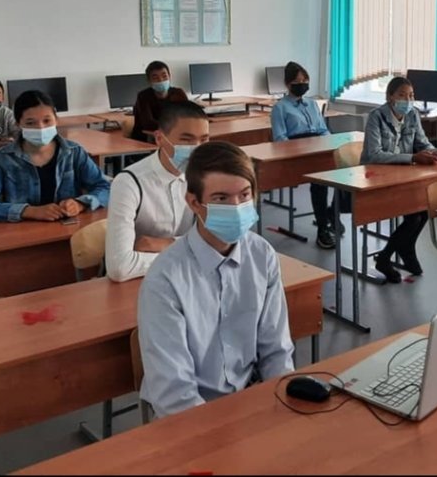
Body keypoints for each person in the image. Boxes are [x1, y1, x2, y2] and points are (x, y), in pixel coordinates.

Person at [137, 140, 294, 418]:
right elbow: (174, 391)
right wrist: (220, 433)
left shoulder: (262, 255)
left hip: (249, 399)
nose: (236, 207)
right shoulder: (166, 279)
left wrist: (281, 409)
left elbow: (276, 351)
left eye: (244, 195)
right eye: (221, 198)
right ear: (194, 202)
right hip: (189, 415)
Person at [105, 101, 210, 282]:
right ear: (159, 138)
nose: (197, 148)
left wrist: (167, 244)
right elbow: (120, 267)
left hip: (190, 277)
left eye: (204, 140)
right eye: (186, 140)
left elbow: (218, 241)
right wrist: (192, 250)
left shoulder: (207, 177)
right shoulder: (129, 183)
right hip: (139, 282)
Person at [0, 90, 110, 222]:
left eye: (47, 121)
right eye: (30, 123)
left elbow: (105, 187)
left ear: (56, 119)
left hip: (68, 229)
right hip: (21, 232)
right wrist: (30, 211)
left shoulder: (74, 152)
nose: (40, 127)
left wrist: (80, 204)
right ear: (18, 124)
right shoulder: (0, 159)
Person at [360, 75, 437, 283]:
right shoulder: (376, 117)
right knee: (414, 217)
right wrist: (413, 157)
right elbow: (374, 155)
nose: (408, 100)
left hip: (403, 177)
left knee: (423, 211)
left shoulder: (413, 114)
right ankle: (386, 257)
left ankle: (405, 248)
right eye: (402, 95)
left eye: (411, 95)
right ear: (390, 97)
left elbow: (422, 142)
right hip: (376, 180)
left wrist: (433, 151)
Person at [270, 61, 337, 250]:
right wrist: (299, 150)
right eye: (297, 82)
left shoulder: (312, 104)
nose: (302, 84)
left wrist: (330, 143)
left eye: (305, 81)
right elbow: (280, 138)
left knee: (343, 172)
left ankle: (332, 214)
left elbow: (323, 129)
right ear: (287, 84)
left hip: (318, 148)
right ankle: (323, 229)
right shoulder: (280, 108)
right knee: (320, 183)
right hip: (296, 154)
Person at [131, 61, 189, 142]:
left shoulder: (178, 93)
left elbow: (189, 116)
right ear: (149, 81)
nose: (161, 80)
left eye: (164, 76)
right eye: (156, 78)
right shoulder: (143, 96)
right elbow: (148, 123)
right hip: (146, 139)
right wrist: (176, 126)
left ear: (170, 76)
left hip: (174, 135)